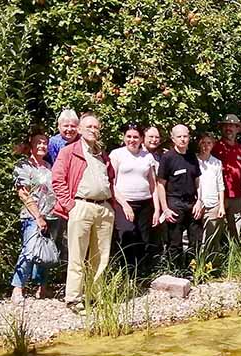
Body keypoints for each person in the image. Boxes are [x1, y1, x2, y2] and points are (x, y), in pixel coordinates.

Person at [51, 113, 115, 309]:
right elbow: (57, 179)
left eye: (96, 127)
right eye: (89, 127)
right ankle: (73, 299)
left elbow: (111, 179)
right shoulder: (70, 151)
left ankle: (96, 295)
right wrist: (70, 205)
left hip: (104, 208)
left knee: (101, 257)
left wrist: (111, 205)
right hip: (81, 206)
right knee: (77, 256)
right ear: (79, 129)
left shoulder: (102, 154)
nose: (93, 130)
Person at [11, 131, 60, 302]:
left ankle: (42, 288)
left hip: (51, 215)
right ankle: (18, 288)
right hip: (32, 215)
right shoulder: (23, 166)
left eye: (45, 143)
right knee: (29, 251)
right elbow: (23, 193)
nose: (42, 146)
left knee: (45, 252)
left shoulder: (49, 166)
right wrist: (38, 216)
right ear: (31, 145)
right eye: (38, 143)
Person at [108, 122, 160, 276]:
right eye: (129, 136)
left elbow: (153, 184)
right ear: (124, 138)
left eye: (136, 137)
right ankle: (124, 273)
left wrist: (157, 209)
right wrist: (124, 205)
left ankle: (139, 275)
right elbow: (112, 183)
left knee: (143, 239)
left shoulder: (147, 156)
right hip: (123, 203)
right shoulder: (117, 154)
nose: (132, 140)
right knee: (127, 235)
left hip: (144, 203)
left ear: (141, 139)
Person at [156, 125, 203, 266]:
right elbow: (160, 184)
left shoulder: (192, 157)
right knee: (174, 242)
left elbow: (197, 181)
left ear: (189, 137)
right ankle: (175, 272)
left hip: (192, 203)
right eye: (179, 137)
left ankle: (194, 270)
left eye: (185, 136)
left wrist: (199, 201)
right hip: (174, 203)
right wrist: (165, 208)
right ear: (173, 138)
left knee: (196, 240)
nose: (183, 139)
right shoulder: (167, 158)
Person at [212, 114, 241, 240]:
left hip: (237, 196)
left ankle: (236, 257)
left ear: (237, 129)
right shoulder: (215, 147)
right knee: (216, 230)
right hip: (219, 195)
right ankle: (216, 257)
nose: (229, 128)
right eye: (226, 125)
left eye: (232, 126)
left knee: (236, 231)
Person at [196, 133, 226, 246]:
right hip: (197, 204)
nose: (206, 146)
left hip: (213, 204)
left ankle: (211, 262)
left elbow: (220, 185)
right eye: (203, 142)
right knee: (196, 237)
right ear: (199, 144)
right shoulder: (194, 160)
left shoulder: (217, 163)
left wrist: (221, 206)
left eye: (209, 143)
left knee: (211, 238)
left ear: (213, 145)